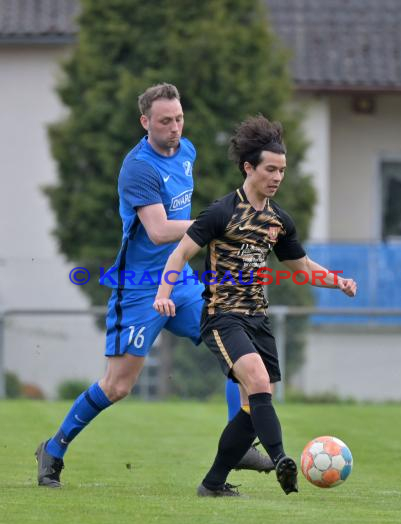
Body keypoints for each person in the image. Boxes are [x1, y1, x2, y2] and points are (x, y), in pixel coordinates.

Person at [35, 84, 272, 488]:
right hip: (140, 289)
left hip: (180, 283)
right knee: (118, 385)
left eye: (179, 118)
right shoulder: (138, 167)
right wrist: (220, 223)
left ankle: (238, 446)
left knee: (237, 354)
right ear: (145, 122)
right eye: (165, 121)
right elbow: (160, 231)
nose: (175, 128)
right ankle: (54, 448)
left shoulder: (188, 152)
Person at [154, 115, 357, 497]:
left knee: (253, 408)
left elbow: (302, 266)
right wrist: (163, 294)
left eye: (282, 169)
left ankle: (213, 484)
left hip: (258, 319)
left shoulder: (278, 220)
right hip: (222, 317)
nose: (277, 176)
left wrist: (338, 280)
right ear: (249, 167)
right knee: (259, 383)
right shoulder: (221, 212)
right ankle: (281, 458)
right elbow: (180, 253)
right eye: (270, 169)